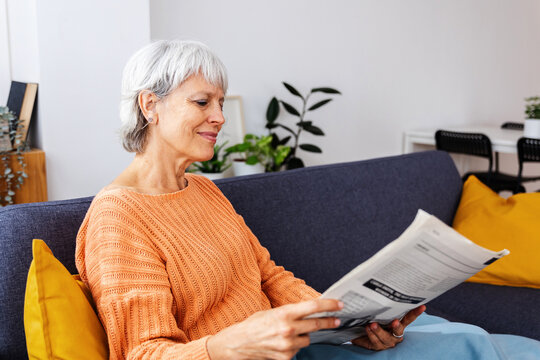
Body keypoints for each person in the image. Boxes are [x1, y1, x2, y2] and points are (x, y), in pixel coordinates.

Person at [76, 40, 540, 360]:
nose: (219, 117)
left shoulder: (203, 189)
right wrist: (229, 344)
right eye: (202, 102)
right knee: (472, 349)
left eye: (220, 102)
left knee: (471, 336)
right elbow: (143, 352)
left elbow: (270, 276)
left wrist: (346, 319)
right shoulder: (118, 218)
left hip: (302, 346)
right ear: (149, 105)